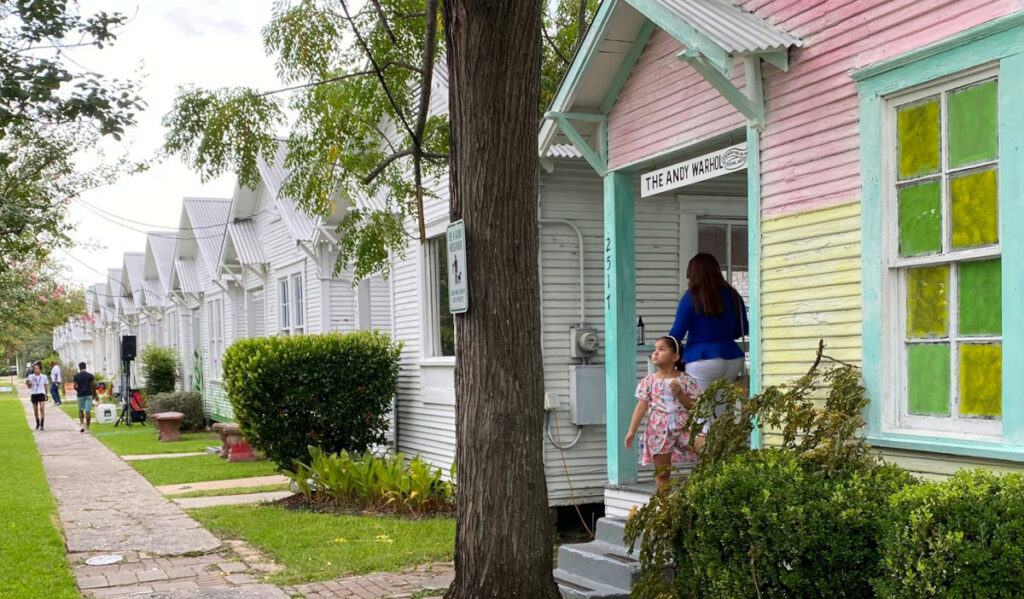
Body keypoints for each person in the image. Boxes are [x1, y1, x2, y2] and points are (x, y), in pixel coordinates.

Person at [669, 253, 749, 409]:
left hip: (702, 360)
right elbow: (741, 330)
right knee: (722, 411)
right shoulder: (733, 295)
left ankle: (706, 434)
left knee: (702, 412)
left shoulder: (691, 297)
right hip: (732, 359)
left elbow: (676, 334)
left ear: (694, 274)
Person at [624, 336, 701, 489]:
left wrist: (680, 395)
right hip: (658, 430)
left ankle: (705, 489)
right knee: (662, 473)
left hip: (685, 426)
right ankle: (664, 508)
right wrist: (631, 431)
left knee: (708, 451)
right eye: (655, 350)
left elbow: (695, 405)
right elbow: (641, 407)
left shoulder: (685, 379)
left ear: (675, 357)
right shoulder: (649, 381)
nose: (655, 353)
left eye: (661, 349)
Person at [73, 362, 96, 433]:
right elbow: (93, 386)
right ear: (85, 367)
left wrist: (78, 390)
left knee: (80, 410)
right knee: (88, 411)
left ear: (79, 368)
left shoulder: (76, 376)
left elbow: (74, 386)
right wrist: (94, 395)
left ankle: (82, 424)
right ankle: (87, 427)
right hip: (88, 394)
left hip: (80, 394)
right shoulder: (90, 376)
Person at [26, 362, 48, 430]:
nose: (35, 370)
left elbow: (46, 385)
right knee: (35, 410)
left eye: (37, 369)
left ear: (40, 369)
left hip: (41, 393)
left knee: (42, 408)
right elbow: (29, 387)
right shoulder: (31, 376)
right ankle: (37, 423)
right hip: (34, 393)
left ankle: (42, 424)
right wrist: (27, 383)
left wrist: (46, 394)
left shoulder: (44, 376)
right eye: (34, 369)